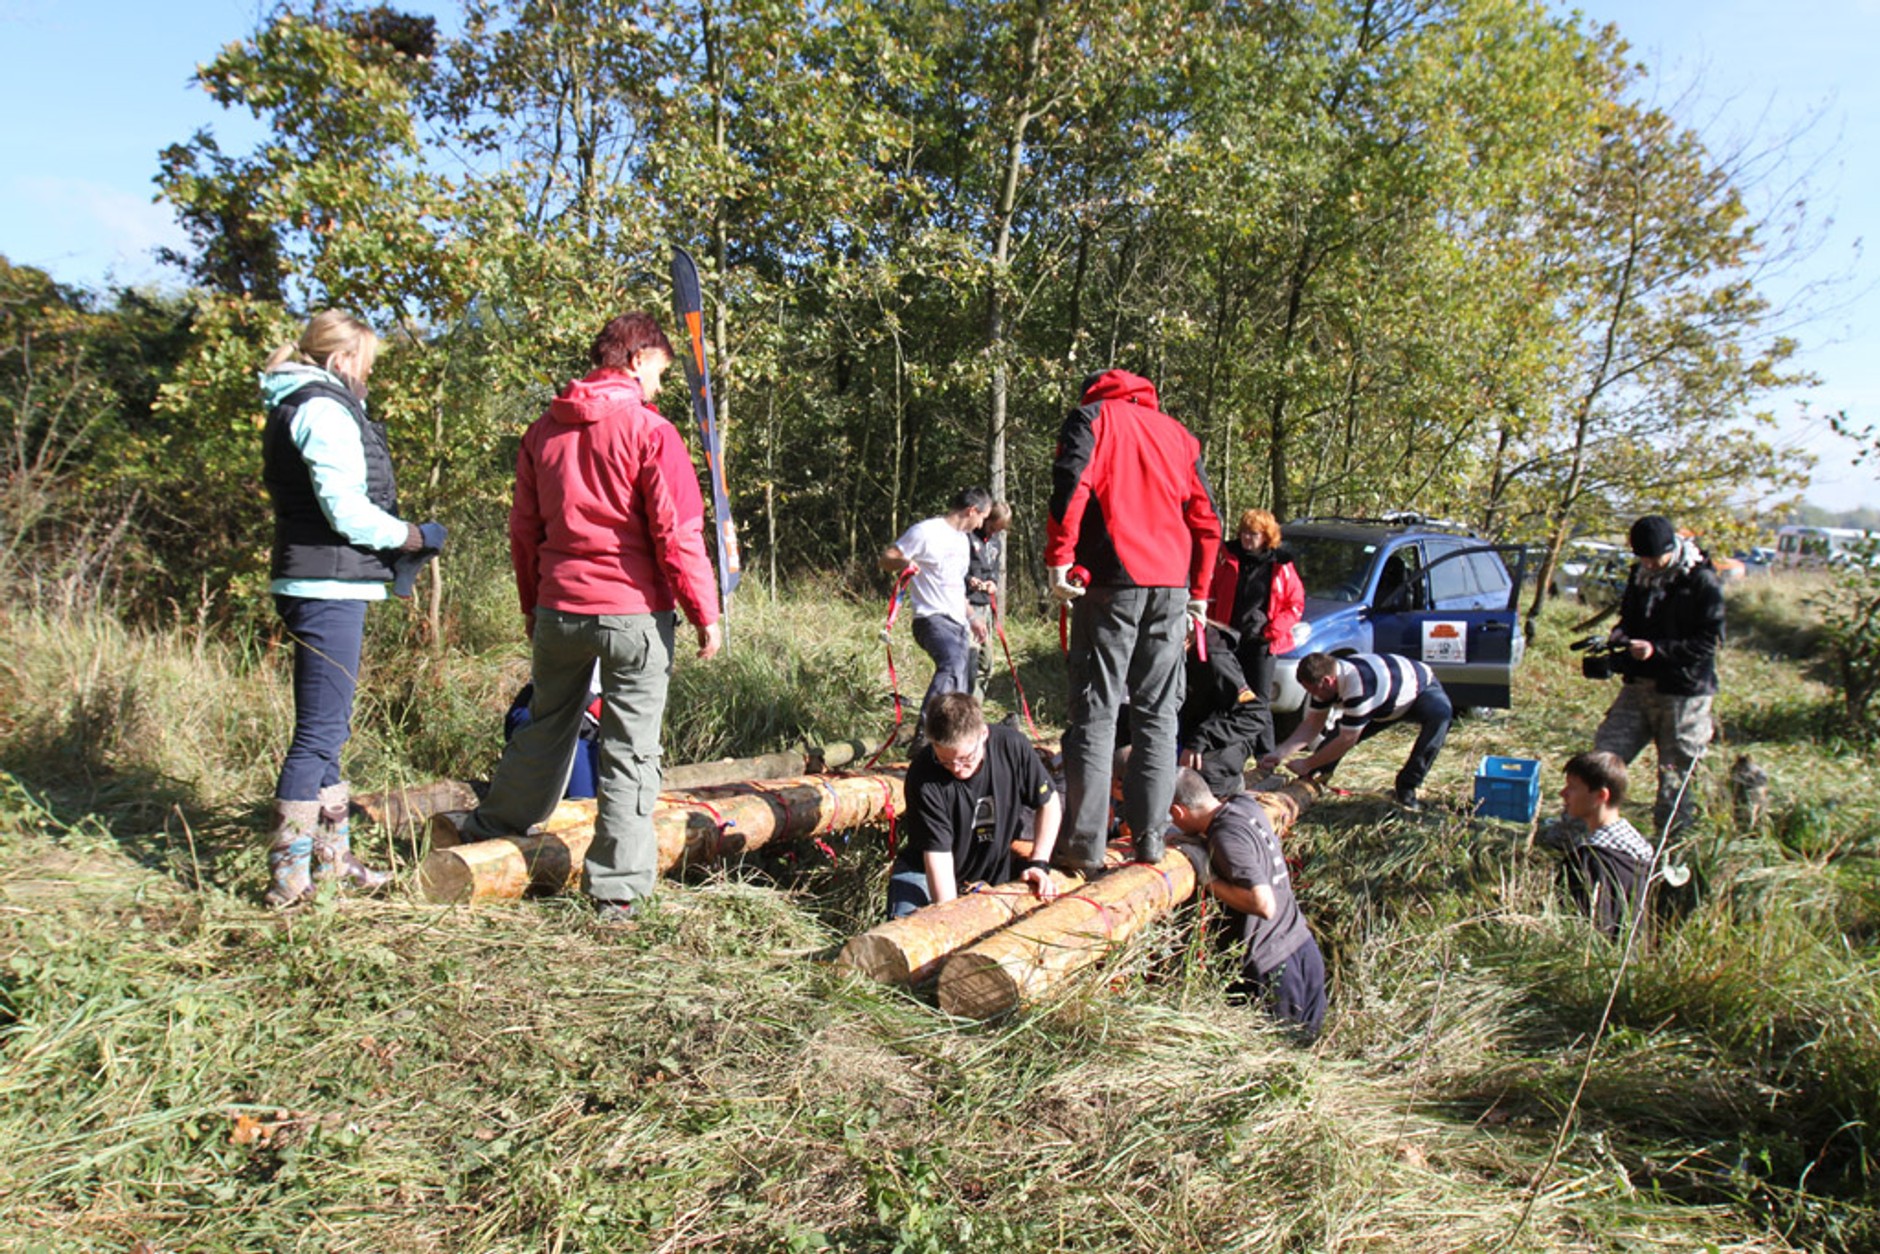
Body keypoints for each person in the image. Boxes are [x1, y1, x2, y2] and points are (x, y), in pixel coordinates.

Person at [451, 312, 721, 923]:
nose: (659, 384)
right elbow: (678, 534)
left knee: (546, 725)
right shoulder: (652, 432)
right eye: (658, 370)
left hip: (559, 608)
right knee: (631, 748)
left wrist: (531, 604)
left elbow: (525, 533)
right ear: (635, 359)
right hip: (634, 614)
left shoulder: (542, 432)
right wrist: (705, 612)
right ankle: (618, 891)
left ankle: (490, 830)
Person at [259, 310, 443, 907]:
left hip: (321, 581)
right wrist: (413, 537)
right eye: (365, 367)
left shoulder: (301, 404)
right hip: (325, 586)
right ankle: (290, 879)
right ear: (342, 362)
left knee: (328, 734)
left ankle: (333, 862)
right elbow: (347, 512)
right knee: (316, 735)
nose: (368, 379)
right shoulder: (322, 409)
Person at [1046, 368, 1221, 870]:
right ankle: (1150, 840)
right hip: (1172, 587)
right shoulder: (1179, 435)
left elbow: (1072, 484)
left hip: (1110, 583)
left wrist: (1060, 555)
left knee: (1094, 716)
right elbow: (1207, 520)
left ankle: (1085, 848)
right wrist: (1201, 592)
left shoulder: (1092, 418)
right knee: (1158, 716)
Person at [1168, 768, 1325, 1038]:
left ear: (1179, 812)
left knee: (1279, 1055)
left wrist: (1207, 878)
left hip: (1275, 968)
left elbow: (1262, 904)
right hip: (1302, 946)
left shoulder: (1225, 835)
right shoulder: (1243, 805)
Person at [1596, 514, 1725, 835]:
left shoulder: (1700, 581)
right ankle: (1580, 830)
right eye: (1644, 558)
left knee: (1675, 774)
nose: (1650, 565)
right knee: (1604, 756)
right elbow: (1629, 617)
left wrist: (1658, 650)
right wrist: (1622, 635)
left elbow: (1710, 640)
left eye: (1655, 558)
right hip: (1639, 687)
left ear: (1672, 548)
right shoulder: (1639, 576)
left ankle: (1669, 848)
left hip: (1684, 693)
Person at [886, 693, 1063, 918]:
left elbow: (1048, 803)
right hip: (925, 872)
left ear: (984, 734)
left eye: (966, 758)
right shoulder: (923, 775)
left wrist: (1039, 862)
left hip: (988, 874)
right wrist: (950, 917)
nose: (957, 769)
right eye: (946, 761)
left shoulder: (1012, 747)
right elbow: (937, 857)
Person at [1260, 651, 1451, 810]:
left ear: (1328, 680)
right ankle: (1313, 781)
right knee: (1336, 736)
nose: (1314, 696)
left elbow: (1347, 740)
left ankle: (1407, 788)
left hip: (1419, 691)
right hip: (1380, 703)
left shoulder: (1359, 686)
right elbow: (1312, 724)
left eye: (1314, 691)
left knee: (1440, 717)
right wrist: (1280, 753)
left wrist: (1308, 762)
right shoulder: (1326, 684)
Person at [880, 488, 992, 743]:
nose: (982, 523)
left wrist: (973, 617)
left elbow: (954, 586)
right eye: (982, 517)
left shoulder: (963, 541)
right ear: (972, 510)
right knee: (951, 663)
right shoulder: (926, 532)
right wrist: (904, 564)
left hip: (958, 623)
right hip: (931, 618)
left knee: (961, 686)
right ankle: (926, 733)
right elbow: (887, 558)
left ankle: (954, 743)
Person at [1555, 750, 1656, 940]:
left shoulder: (1589, 859)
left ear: (1601, 796)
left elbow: (1575, 927)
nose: (1563, 793)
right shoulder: (1641, 849)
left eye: (1572, 787)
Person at [1178, 623, 1265, 799]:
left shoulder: (1216, 661)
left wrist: (1202, 739)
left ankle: (1227, 794)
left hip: (1223, 738)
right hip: (1184, 732)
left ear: (1186, 640)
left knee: (1203, 773)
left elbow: (1255, 714)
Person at [965, 500, 1011, 700]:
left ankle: (975, 707)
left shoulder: (995, 543)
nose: (993, 533)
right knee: (969, 662)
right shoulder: (966, 537)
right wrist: (969, 580)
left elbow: (993, 571)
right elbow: (954, 570)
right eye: (992, 527)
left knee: (986, 663)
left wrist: (992, 583)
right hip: (967, 607)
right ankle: (961, 709)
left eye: (998, 530)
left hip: (986, 608)